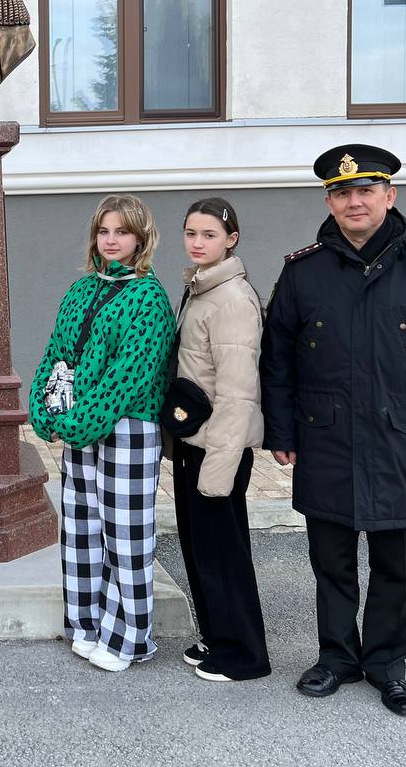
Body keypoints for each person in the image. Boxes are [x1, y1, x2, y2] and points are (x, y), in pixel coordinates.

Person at [260, 145, 406, 717]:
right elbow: (278, 358)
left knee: (397, 564)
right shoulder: (303, 270)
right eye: (341, 192)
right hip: (326, 440)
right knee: (330, 560)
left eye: (365, 190)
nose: (353, 201)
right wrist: (281, 430)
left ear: (390, 195)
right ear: (329, 202)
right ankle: (336, 657)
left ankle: (387, 664)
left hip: (404, 443)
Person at [28, 194, 176, 672]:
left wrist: (75, 423)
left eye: (122, 232)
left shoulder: (148, 297)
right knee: (83, 529)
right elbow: (57, 353)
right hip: (80, 428)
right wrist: (44, 410)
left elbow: (128, 374)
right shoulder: (80, 290)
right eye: (104, 231)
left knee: (125, 536)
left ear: (141, 238)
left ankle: (128, 636)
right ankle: (87, 624)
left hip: (128, 428)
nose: (111, 240)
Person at [168, 198, 271, 683]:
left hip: (218, 449)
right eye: (191, 233)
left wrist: (219, 468)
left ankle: (244, 654)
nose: (198, 242)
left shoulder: (231, 298)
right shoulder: (200, 288)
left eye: (208, 234)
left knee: (223, 554)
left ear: (231, 239)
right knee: (200, 548)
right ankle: (215, 635)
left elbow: (237, 392)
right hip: (197, 441)